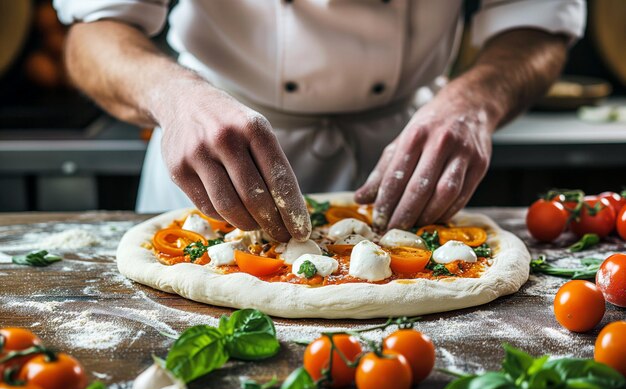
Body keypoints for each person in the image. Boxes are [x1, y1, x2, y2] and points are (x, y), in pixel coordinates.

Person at [54, 0, 585, 242]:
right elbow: (95, 31)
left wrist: (475, 100)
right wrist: (174, 98)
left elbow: (535, 20)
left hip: (405, 152)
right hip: (213, 146)